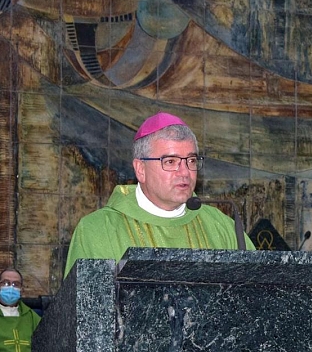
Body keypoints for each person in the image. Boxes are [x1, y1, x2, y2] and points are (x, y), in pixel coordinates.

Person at [65, 112, 254, 276]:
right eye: (170, 162)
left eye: (191, 160)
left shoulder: (223, 228)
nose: (184, 172)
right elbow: (86, 311)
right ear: (140, 169)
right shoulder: (98, 230)